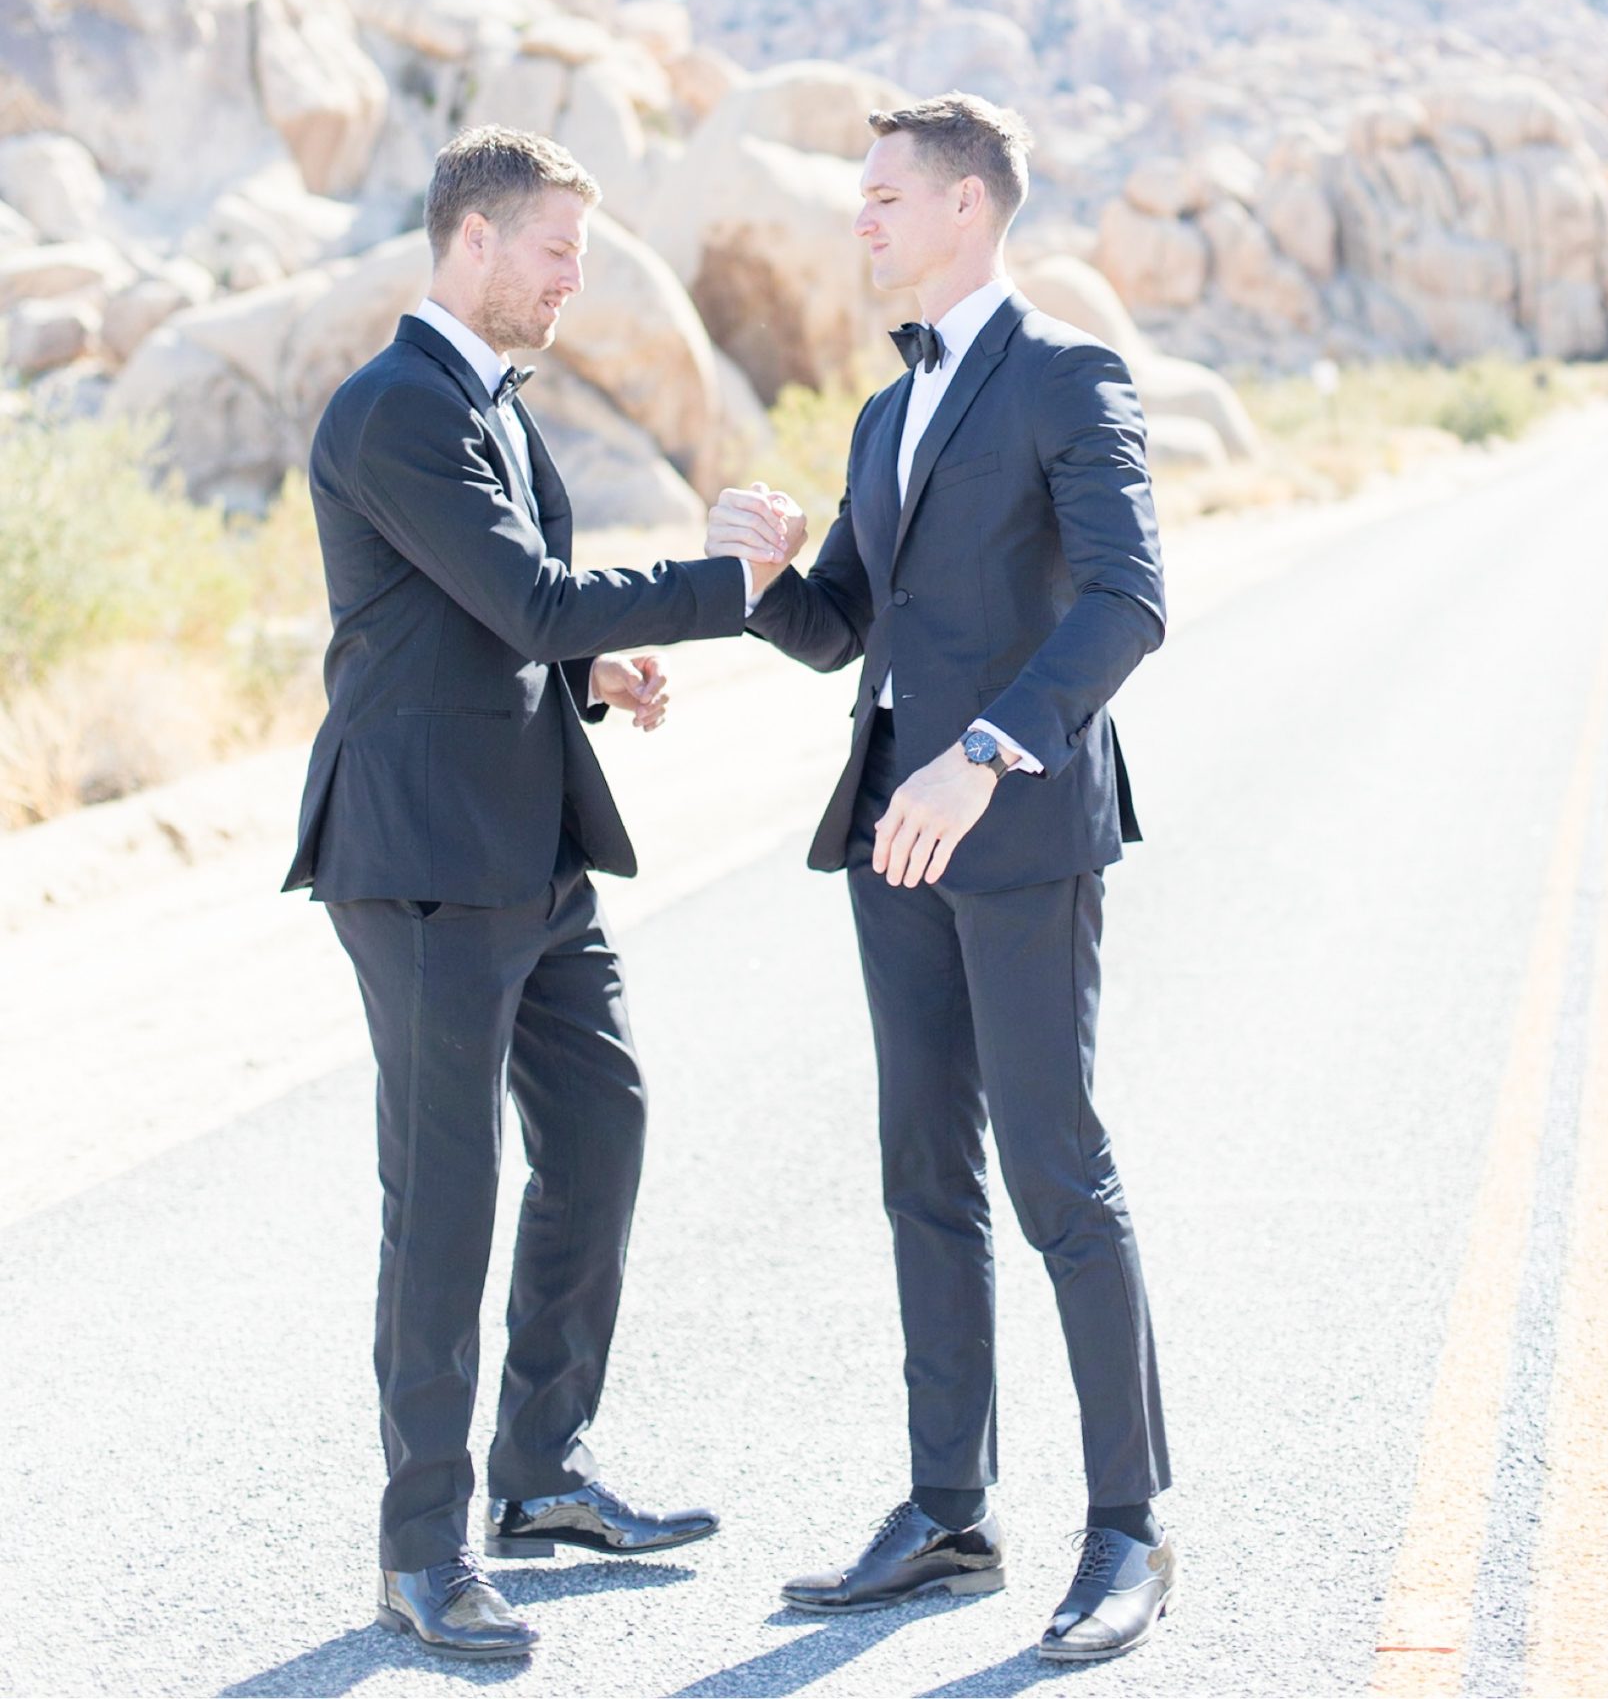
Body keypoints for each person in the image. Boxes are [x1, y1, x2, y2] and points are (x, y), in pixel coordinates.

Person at [709, 91, 1176, 1666]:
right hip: (889, 842)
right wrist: (768, 578)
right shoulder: (882, 410)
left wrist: (985, 752)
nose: (864, 218)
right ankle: (949, 1511)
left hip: (1015, 825)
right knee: (924, 1172)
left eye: (887, 194)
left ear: (971, 206)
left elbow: (1126, 601)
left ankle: (1127, 1529)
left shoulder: (1069, 375)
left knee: (1055, 1166)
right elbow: (848, 624)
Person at [287, 124, 749, 1662]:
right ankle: (418, 1553)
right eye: (554, 250)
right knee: (445, 1201)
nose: (571, 281)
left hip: (531, 849)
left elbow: (495, 622)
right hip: (422, 861)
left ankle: (542, 1476)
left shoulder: (487, 402)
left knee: (601, 1129)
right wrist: (717, 586)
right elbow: (527, 597)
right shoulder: (392, 408)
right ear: (471, 242)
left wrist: (593, 672)